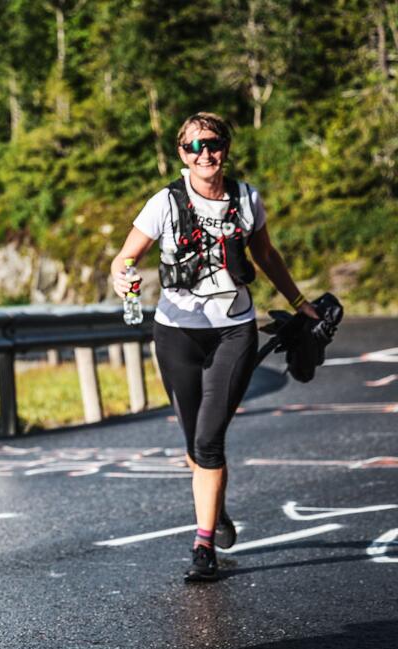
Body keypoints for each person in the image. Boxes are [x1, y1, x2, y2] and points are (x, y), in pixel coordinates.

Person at [110, 112, 319, 582]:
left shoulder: (246, 199)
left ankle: (203, 545)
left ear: (226, 147)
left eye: (213, 144)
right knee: (193, 443)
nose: (205, 154)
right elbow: (124, 257)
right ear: (181, 153)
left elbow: (265, 255)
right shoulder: (164, 203)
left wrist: (300, 302)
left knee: (208, 440)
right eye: (194, 146)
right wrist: (125, 278)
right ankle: (216, 509)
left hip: (234, 329)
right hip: (176, 332)